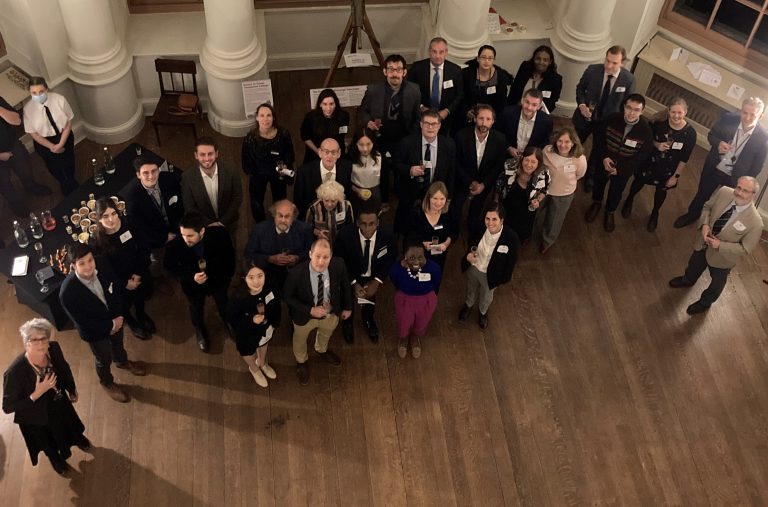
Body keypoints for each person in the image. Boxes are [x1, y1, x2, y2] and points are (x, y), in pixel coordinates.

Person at [2, 319, 91, 476]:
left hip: (58, 400)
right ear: (26, 343)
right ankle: (56, 460)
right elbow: (8, 407)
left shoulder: (54, 349)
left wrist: (71, 388)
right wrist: (37, 392)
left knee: (68, 423)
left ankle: (78, 439)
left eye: (44, 338)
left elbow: (64, 368)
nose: (41, 344)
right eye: (34, 340)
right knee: (49, 440)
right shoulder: (15, 373)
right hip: (36, 414)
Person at [59, 243, 146, 403]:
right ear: (73, 266)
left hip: (116, 319)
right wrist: (111, 325)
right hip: (95, 332)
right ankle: (106, 382)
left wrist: (119, 316)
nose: (88, 266)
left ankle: (122, 362)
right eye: (82, 263)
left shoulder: (103, 263)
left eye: (90, 260)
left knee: (119, 345)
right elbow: (83, 322)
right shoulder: (67, 293)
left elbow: (116, 290)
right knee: (103, 358)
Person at [668, 177, 762, 315]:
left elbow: (745, 248)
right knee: (694, 264)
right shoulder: (724, 192)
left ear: (753, 194)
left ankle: (705, 302)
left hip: (723, 258)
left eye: (745, 191)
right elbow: (707, 207)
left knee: (717, 283)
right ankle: (687, 280)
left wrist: (720, 245)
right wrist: (705, 224)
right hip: (703, 243)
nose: (739, 193)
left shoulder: (756, 223)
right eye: (739, 188)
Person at [674, 97, 768, 228]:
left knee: (725, 203)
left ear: (761, 115)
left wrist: (747, 183)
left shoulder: (764, 137)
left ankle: (712, 225)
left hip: (736, 177)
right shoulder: (728, 118)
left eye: (752, 114)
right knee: (702, 193)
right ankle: (692, 214)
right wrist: (718, 143)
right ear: (741, 110)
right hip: (715, 166)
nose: (747, 118)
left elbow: (758, 165)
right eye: (744, 112)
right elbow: (711, 135)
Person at [282, 238, 353, 385]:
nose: (321, 262)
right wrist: (310, 310)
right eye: (317, 256)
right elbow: (287, 296)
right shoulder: (296, 273)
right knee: (300, 339)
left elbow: (346, 285)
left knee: (326, 333)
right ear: (310, 254)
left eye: (326, 257)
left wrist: (348, 307)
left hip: (330, 313)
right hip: (304, 316)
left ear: (331, 256)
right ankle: (301, 361)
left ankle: (321, 349)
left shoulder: (338, 265)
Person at [622, 98, 697, 231]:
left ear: (685, 112)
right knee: (638, 181)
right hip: (649, 162)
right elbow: (645, 140)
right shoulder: (658, 124)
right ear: (668, 111)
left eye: (680, 112)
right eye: (673, 112)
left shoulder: (690, 133)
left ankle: (655, 212)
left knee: (661, 191)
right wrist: (657, 144)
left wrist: (676, 176)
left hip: (668, 169)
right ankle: (629, 199)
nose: (676, 116)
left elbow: (685, 158)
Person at [164, 211, 235, 352]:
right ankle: (200, 328)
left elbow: (229, 258)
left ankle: (228, 321)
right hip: (193, 286)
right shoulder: (175, 245)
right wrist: (191, 276)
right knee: (196, 307)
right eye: (183, 234)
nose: (185, 239)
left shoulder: (219, 235)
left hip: (217, 280)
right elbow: (169, 267)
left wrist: (224, 278)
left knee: (223, 303)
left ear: (202, 231)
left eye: (190, 235)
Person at [358, 54, 421, 208]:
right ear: (385, 72)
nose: (394, 74)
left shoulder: (414, 90)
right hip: (380, 137)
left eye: (398, 69)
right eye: (391, 70)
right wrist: (369, 122)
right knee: (382, 168)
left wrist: (413, 137)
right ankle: (384, 199)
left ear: (404, 72)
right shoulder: (373, 90)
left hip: (404, 136)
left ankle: (402, 195)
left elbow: (416, 117)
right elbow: (362, 111)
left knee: (402, 166)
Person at [584, 93, 653, 232]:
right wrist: (604, 157)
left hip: (623, 169)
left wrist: (621, 169)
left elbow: (641, 156)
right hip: (604, 161)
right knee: (598, 183)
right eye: (629, 107)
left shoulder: (646, 131)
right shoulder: (611, 118)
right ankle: (596, 202)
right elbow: (599, 139)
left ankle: (610, 211)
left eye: (636, 110)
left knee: (617, 191)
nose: (631, 112)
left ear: (642, 111)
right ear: (624, 107)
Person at [572, 46, 636, 191]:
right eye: (607, 61)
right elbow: (580, 89)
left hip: (607, 123)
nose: (609, 66)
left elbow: (628, 104)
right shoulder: (593, 70)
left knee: (598, 151)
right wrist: (582, 105)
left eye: (614, 63)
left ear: (623, 62)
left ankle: (589, 176)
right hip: (585, 117)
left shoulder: (629, 80)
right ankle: (569, 168)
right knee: (575, 144)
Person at [90, 197, 155, 340]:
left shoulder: (129, 223)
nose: (111, 220)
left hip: (138, 270)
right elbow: (103, 270)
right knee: (123, 304)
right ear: (99, 219)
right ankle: (131, 321)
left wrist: (138, 274)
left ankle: (141, 314)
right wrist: (125, 282)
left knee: (140, 296)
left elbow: (144, 247)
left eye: (113, 213)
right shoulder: (97, 241)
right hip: (118, 280)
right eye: (105, 216)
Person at [334, 209, 396, 343]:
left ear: (378, 223)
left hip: (373, 276)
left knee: (370, 300)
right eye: (364, 224)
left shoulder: (387, 235)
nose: (368, 228)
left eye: (372, 224)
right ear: (357, 223)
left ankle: (368, 319)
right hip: (350, 275)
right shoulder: (345, 235)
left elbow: (391, 258)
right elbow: (339, 260)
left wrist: (377, 281)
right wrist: (353, 282)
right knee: (347, 299)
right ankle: (348, 323)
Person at [394, 109, 456, 233]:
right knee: (405, 227)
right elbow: (396, 164)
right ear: (421, 124)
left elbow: (451, 172)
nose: (430, 127)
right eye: (427, 123)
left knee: (430, 229)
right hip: (411, 193)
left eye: (434, 124)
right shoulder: (407, 142)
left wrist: (448, 197)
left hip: (435, 196)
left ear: (439, 126)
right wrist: (410, 170)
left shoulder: (448, 145)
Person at [459, 203, 520, 329]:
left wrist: (503, 279)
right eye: (487, 219)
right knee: (471, 288)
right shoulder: (479, 227)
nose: (490, 223)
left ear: (501, 220)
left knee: (487, 295)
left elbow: (511, 261)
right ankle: (469, 305)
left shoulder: (511, 238)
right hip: (474, 267)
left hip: (491, 274)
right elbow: (471, 243)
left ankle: (483, 312)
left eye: (494, 219)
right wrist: (468, 256)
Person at [453, 103, 508, 236]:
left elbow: (498, 166)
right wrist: (469, 182)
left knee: (477, 210)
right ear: (475, 119)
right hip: (463, 180)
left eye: (488, 119)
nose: (484, 123)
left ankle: (472, 232)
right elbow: (456, 163)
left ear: (493, 121)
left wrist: (484, 184)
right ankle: (453, 232)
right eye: (481, 118)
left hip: (484, 182)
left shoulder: (500, 139)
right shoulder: (461, 136)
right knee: (456, 208)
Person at [226, 261, 281, 388]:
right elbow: (231, 318)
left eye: (260, 275)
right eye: (251, 277)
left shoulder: (270, 287)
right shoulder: (238, 296)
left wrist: (275, 323)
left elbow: (277, 304)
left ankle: (262, 363)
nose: (256, 281)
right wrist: (251, 321)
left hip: (266, 328)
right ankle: (254, 369)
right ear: (243, 277)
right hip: (247, 333)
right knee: (248, 351)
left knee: (264, 344)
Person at [241, 103, 295, 222]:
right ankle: (261, 224)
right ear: (257, 117)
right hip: (259, 173)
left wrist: (285, 165)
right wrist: (255, 172)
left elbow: (289, 154)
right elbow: (246, 161)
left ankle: (280, 220)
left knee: (280, 198)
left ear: (273, 117)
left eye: (269, 115)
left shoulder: (283, 134)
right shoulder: (250, 138)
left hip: (278, 172)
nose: (265, 119)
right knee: (256, 200)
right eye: (262, 115)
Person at [244, 199, 314, 290]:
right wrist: (269, 259)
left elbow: (311, 252)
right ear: (274, 216)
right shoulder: (259, 230)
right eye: (280, 216)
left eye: (287, 216)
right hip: (267, 277)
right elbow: (249, 255)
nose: (283, 220)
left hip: (296, 277)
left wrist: (297, 258)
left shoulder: (305, 229)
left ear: (293, 218)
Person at [23, 77, 77, 195]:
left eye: (41, 91)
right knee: (53, 166)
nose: (38, 95)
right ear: (30, 92)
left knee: (69, 160)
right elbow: (33, 133)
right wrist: (52, 146)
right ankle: (63, 182)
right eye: (34, 93)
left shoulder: (59, 100)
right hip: (44, 142)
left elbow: (68, 122)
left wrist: (61, 143)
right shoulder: (28, 109)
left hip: (64, 136)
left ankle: (71, 180)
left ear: (46, 89)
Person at [537, 127, 587, 253]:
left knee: (554, 220)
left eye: (567, 142)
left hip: (563, 194)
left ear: (573, 143)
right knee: (534, 213)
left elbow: (580, 174)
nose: (562, 145)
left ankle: (547, 241)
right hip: (543, 191)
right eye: (560, 141)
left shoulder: (579, 159)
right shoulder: (547, 151)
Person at [124, 157, 184, 263]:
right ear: (138, 175)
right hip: (156, 238)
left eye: (154, 171)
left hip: (178, 227)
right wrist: (163, 238)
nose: (151, 176)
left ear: (158, 170)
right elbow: (139, 229)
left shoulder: (169, 179)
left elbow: (181, 203)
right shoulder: (132, 197)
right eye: (145, 173)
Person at [182, 136, 243, 238]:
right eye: (202, 154)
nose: (207, 159)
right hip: (204, 226)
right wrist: (209, 224)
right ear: (196, 155)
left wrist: (223, 222)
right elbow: (189, 206)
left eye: (210, 154)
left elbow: (237, 197)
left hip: (229, 222)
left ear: (217, 154)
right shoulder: (187, 177)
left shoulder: (231, 170)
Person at [389, 240, 441, 359]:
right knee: (404, 322)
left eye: (420, 257)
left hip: (426, 300)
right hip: (405, 300)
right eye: (412, 258)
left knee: (422, 322)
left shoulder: (434, 268)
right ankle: (403, 339)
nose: (417, 261)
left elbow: (436, 283)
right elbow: (395, 281)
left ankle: (415, 337)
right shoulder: (397, 269)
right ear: (405, 256)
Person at [1, 94, 51, 216]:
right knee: (4, 183)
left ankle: (31, 187)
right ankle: (16, 204)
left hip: (12, 144)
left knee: (25, 169)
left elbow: (17, 120)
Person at [408, 37, 464, 132]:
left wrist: (447, 111)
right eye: (434, 51)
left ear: (446, 52)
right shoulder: (417, 68)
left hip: (446, 119)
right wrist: (421, 107)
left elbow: (460, 95)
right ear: (429, 51)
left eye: (441, 52)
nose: (437, 56)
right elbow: (409, 91)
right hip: (422, 118)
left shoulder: (455, 71)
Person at [495, 146, 549, 243]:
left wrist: (538, 200)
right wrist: (495, 201)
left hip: (527, 209)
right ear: (522, 158)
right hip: (508, 204)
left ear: (539, 163)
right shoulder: (510, 166)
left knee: (522, 231)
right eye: (526, 160)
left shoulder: (543, 174)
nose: (529, 164)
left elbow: (544, 190)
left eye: (533, 162)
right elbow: (499, 184)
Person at [294, 137, 352, 218]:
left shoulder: (346, 168)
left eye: (333, 152)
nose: (330, 156)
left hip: (338, 218)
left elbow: (348, 195)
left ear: (339, 153)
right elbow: (298, 202)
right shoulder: (304, 172)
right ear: (320, 152)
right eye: (326, 152)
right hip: (312, 219)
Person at [407, 181, 455, 275]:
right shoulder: (417, 213)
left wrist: (446, 244)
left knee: (435, 278)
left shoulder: (449, 212)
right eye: (435, 198)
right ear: (428, 197)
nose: (438, 203)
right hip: (419, 256)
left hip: (439, 256)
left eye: (442, 199)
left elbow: (453, 232)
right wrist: (422, 243)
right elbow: (410, 234)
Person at [460, 45, 512, 124]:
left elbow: (502, 102)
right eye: (483, 57)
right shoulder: (467, 74)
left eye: (490, 58)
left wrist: (491, 117)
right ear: (478, 58)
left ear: (494, 60)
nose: (486, 61)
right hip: (470, 115)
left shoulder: (501, 77)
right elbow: (461, 96)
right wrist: (467, 112)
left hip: (491, 117)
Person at [300, 89, 350, 164]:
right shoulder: (311, 117)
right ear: (320, 104)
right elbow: (305, 137)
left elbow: (342, 136)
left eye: (331, 104)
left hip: (336, 156)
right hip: (316, 156)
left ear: (336, 104)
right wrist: (318, 152)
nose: (328, 108)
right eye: (325, 104)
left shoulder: (343, 116)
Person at [499, 88, 553, 158]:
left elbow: (545, 141)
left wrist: (531, 153)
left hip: (530, 158)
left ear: (539, 106)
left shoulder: (546, 121)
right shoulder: (507, 113)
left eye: (534, 105)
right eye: (527, 102)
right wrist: (508, 147)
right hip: (506, 154)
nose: (529, 107)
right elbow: (499, 133)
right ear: (522, 100)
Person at [509, 45, 563, 113]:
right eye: (538, 58)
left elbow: (552, 102)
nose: (541, 62)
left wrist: (539, 113)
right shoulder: (525, 67)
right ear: (533, 58)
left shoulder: (555, 79)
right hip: (517, 108)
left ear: (550, 62)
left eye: (545, 60)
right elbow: (514, 89)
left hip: (537, 113)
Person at [305, 180, 354, 248]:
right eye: (326, 200)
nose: (329, 204)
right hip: (320, 244)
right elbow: (307, 227)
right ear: (322, 198)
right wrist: (318, 233)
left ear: (339, 199)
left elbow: (350, 227)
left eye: (333, 201)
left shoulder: (346, 206)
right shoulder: (313, 207)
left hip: (341, 244)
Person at [348, 128, 384, 214]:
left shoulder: (379, 157)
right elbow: (346, 180)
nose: (365, 149)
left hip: (375, 192)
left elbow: (384, 179)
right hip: (356, 192)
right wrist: (357, 190)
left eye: (368, 144)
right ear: (356, 144)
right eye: (361, 144)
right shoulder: (350, 158)